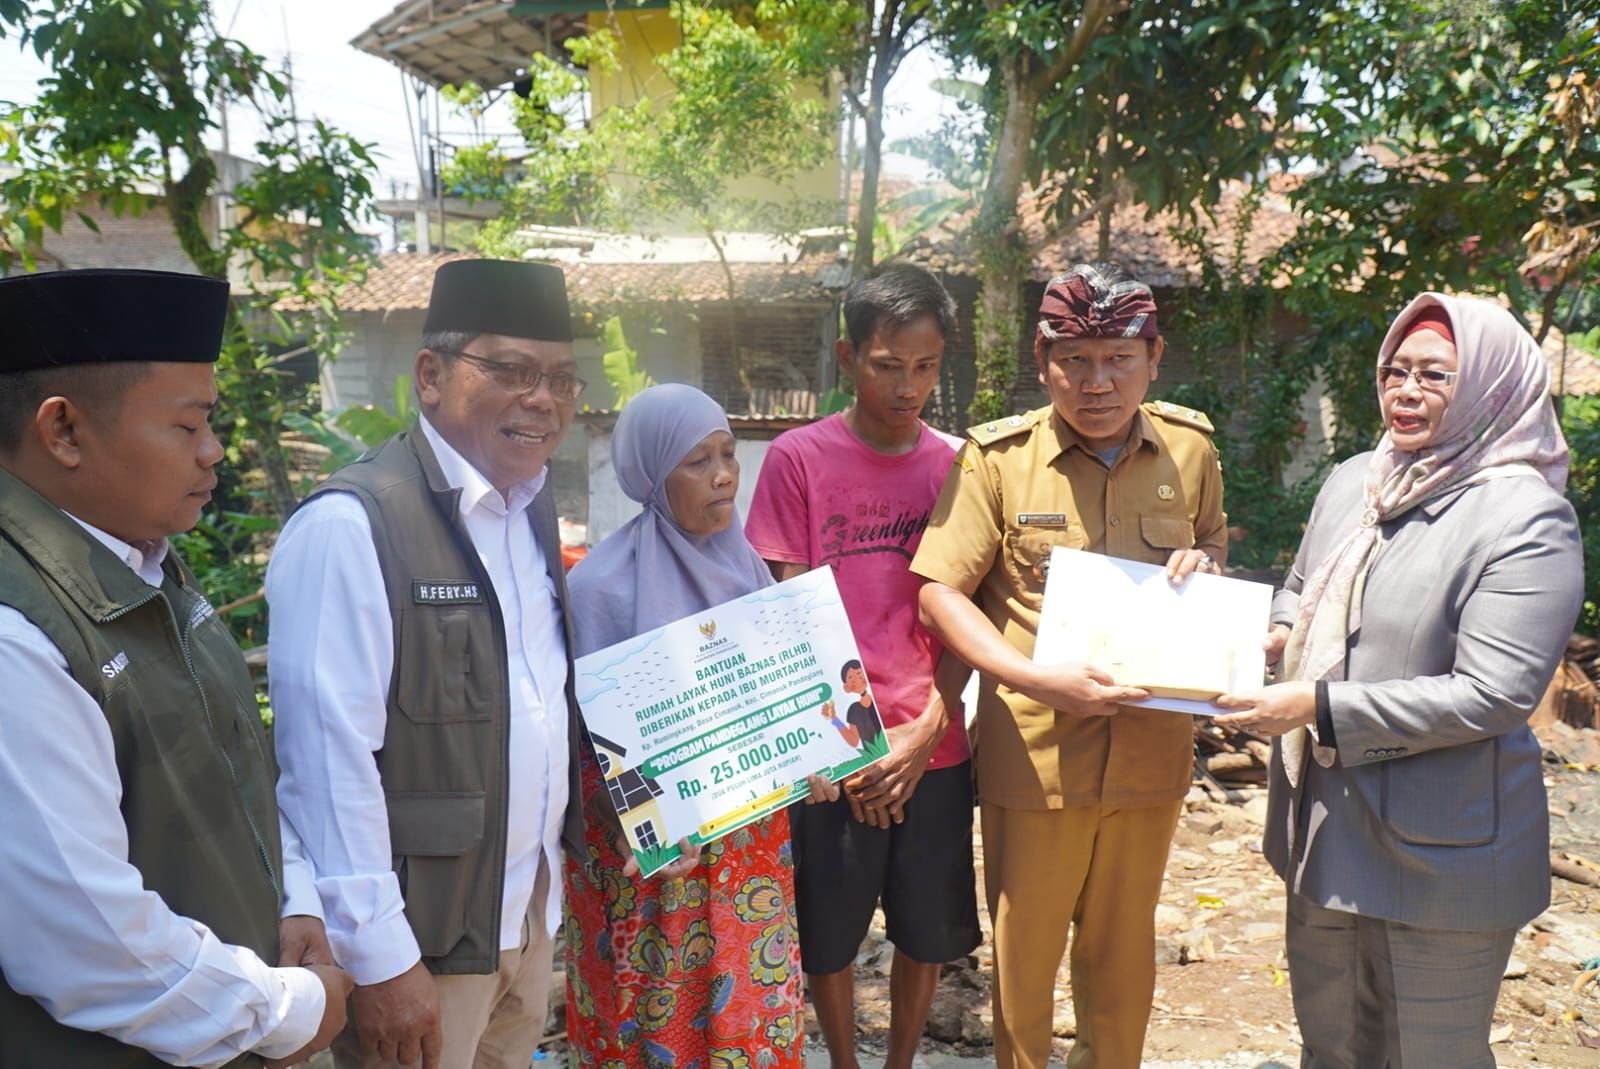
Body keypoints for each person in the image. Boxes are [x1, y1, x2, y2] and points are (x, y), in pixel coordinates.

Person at [1213, 293, 1583, 1069]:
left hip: (1442, 847)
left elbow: (1496, 692)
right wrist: (1282, 630)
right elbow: (1301, 583)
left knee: (1431, 1056)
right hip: (1325, 831)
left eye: (1435, 375)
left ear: (1489, 384)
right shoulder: (1358, 478)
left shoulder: (1524, 516)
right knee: (1332, 1048)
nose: (1406, 390)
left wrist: (1313, 703)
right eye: (1395, 370)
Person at [0, 268, 352, 1067]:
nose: (214, 451)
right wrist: (295, 1008)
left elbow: (235, 767)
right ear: (63, 431)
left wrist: (292, 899)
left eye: (212, 421)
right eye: (187, 425)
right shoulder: (19, 632)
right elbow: (89, 947)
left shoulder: (145, 563)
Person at [269, 259, 586, 1069]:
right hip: (424, 943)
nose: (542, 398)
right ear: (431, 375)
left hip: (522, 915)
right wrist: (381, 958)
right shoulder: (354, 525)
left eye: (561, 378)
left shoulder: (531, 506)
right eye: (512, 370)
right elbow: (326, 764)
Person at [912, 262, 1227, 1069]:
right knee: (1027, 957)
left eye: (1119, 358)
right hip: (1037, 752)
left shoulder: (1188, 451)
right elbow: (939, 594)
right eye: (1075, 360)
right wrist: (1027, 678)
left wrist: (1206, 565)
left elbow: (1213, 542)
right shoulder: (997, 460)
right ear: (1042, 359)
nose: (1097, 382)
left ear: (1154, 358)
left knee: (1124, 953)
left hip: (1151, 750)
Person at [743, 260, 979, 1069]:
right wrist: (849, 749)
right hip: (832, 751)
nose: (908, 385)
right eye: (887, 366)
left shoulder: (959, 465)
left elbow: (966, 614)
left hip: (936, 745)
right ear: (848, 358)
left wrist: (924, 734)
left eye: (926, 366)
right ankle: (843, 1060)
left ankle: (901, 1061)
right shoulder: (797, 460)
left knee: (926, 927)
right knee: (828, 931)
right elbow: (786, 616)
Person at [565, 383, 830, 1069]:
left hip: (745, 854)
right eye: (696, 461)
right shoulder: (599, 588)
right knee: (652, 1020)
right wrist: (649, 822)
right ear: (652, 476)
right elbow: (585, 747)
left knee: (749, 1020)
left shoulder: (749, 573)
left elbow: (784, 707)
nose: (723, 475)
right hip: (649, 866)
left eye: (727, 454)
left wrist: (817, 752)